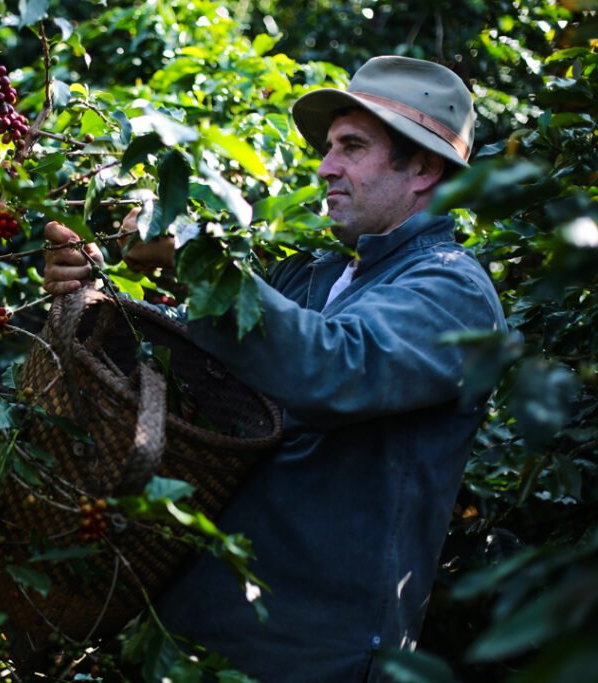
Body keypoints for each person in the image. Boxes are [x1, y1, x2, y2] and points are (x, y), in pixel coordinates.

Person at [42, 56, 507, 681]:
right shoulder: (315, 275)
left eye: (352, 147)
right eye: (328, 147)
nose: (326, 167)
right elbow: (199, 348)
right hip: (196, 630)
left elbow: (331, 366)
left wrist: (200, 258)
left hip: (309, 653)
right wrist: (99, 287)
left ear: (423, 168)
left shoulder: (452, 291)